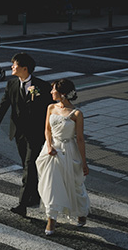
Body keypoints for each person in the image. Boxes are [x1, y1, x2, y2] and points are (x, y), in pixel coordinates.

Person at [0, 52, 51, 216]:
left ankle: (22, 204)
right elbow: (3, 105)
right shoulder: (12, 85)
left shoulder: (41, 86)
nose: (11, 67)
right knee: (27, 165)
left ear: (24, 68)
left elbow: (49, 110)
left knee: (29, 166)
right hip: (18, 133)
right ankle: (35, 196)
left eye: (14, 65)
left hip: (35, 134)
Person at [36, 79, 90, 235]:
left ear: (63, 94)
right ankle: (51, 219)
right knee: (51, 184)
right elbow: (47, 130)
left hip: (69, 150)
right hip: (51, 150)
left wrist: (84, 163)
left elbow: (80, 139)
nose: (51, 92)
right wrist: (49, 146)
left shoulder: (77, 114)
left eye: (53, 90)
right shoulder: (50, 107)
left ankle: (81, 212)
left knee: (75, 184)